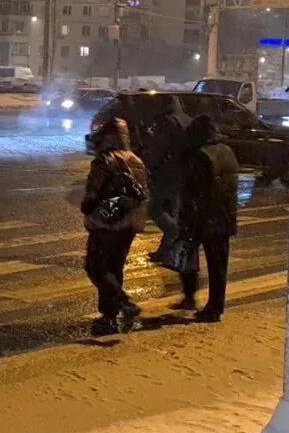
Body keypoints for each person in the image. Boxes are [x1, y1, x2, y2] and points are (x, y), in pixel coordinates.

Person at [80, 117, 149, 335]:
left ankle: (118, 309)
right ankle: (116, 310)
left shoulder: (105, 160)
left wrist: (87, 206)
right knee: (115, 267)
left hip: (106, 222)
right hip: (128, 223)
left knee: (97, 267)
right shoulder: (136, 160)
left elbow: (93, 194)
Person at [176, 115, 240, 322]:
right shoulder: (226, 151)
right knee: (218, 266)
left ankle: (197, 301)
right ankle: (216, 305)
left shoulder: (201, 156)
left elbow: (195, 192)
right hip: (225, 216)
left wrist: (186, 220)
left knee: (189, 259)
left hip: (204, 218)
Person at [138, 96, 191, 265]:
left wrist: (148, 165)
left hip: (165, 173)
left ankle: (173, 236)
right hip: (181, 173)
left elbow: (159, 148)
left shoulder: (168, 122)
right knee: (171, 209)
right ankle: (167, 250)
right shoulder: (186, 120)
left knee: (155, 209)